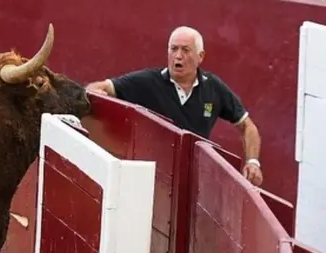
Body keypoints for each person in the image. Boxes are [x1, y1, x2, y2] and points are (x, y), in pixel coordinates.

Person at [85, 26, 263, 186]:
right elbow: (99, 87)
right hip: (153, 178)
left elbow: (247, 126)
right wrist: (96, 94)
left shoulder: (213, 88)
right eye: (173, 49)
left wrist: (253, 162)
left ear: (200, 56)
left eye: (185, 50)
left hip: (194, 181)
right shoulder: (148, 82)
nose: (178, 56)